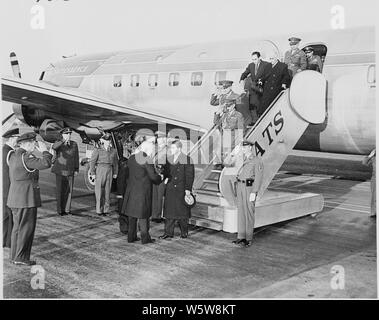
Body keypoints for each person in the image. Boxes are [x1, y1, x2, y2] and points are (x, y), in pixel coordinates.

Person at [7, 132, 53, 265]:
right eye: (33, 142)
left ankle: (14, 256)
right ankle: (21, 258)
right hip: (26, 199)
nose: (35, 145)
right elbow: (45, 163)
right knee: (26, 229)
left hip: (14, 198)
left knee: (17, 229)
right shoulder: (26, 157)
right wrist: (45, 151)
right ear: (26, 144)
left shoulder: (14, 155)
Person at [121, 141, 162, 244]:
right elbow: (153, 176)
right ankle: (145, 238)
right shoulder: (146, 159)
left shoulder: (131, 158)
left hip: (131, 191)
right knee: (143, 216)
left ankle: (131, 237)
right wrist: (160, 177)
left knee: (132, 216)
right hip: (143, 191)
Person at [160, 140, 195, 239]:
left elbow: (190, 176)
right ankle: (168, 233)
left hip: (181, 189)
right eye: (171, 148)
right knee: (169, 212)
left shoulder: (187, 159)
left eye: (173, 148)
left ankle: (184, 232)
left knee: (182, 212)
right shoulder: (169, 159)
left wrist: (188, 189)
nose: (171, 149)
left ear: (179, 148)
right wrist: (166, 178)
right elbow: (166, 171)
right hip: (171, 188)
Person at [232, 140, 264, 247]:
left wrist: (254, 192)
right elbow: (228, 163)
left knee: (249, 212)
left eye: (245, 147)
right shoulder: (241, 159)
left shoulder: (256, 160)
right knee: (241, 211)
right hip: (240, 187)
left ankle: (248, 238)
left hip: (249, 188)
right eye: (242, 147)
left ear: (250, 147)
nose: (243, 149)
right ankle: (241, 236)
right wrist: (234, 154)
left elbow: (259, 178)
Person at [51, 127, 79, 216]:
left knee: (69, 191)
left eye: (70, 134)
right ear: (62, 135)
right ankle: (60, 210)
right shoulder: (58, 143)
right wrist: (63, 140)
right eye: (66, 134)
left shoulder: (74, 144)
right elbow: (54, 147)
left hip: (70, 171)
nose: (69, 135)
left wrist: (76, 169)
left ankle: (67, 210)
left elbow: (76, 157)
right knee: (60, 191)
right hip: (60, 171)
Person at [90, 133, 118, 216]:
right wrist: (93, 173)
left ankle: (106, 210)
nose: (108, 142)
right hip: (100, 169)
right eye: (107, 140)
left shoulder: (113, 150)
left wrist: (116, 172)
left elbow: (116, 163)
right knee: (99, 191)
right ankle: (99, 210)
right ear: (103, 141)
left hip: (110, 170)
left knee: (107, 191)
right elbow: (92, 162)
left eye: (109, 140)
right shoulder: (98, 149)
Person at [239, 51, 272, 123]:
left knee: (260, 104)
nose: (254, 61)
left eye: (255, 59)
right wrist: (241, 79)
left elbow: (269, 76)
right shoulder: (251, 65)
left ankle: (262, 119)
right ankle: (255, 120)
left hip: (263, 88)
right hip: (254, 88)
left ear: (259, 58)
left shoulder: (266, 65)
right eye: (253, 59)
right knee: (252, 103)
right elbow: (245, 73)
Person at [2, 128, 19, 248]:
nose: (18, 140)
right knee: (9, 215)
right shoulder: (10, 152)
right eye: (17, 138)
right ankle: (8, 242)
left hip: (4, 187)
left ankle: (4, 240)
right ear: (12, 138)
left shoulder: (4, 150)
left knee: (5, 215)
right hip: (9, 188)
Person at [151, 131, 168, 223]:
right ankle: (154, 214)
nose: (159, 140)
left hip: (162, 176)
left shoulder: (168, 150)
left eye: (161, 138)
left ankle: (159, 215)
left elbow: (169, 165)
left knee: (160, 196)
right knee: (154, 196)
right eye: (158, 138)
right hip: (155, 175)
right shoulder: (156, 149)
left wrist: (166, 177)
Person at [363, 149, 376, 217]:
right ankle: (373, 213)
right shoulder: (374, 157)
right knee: (374, 197)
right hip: (375, 179)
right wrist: (370, 155)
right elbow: (364, 163)